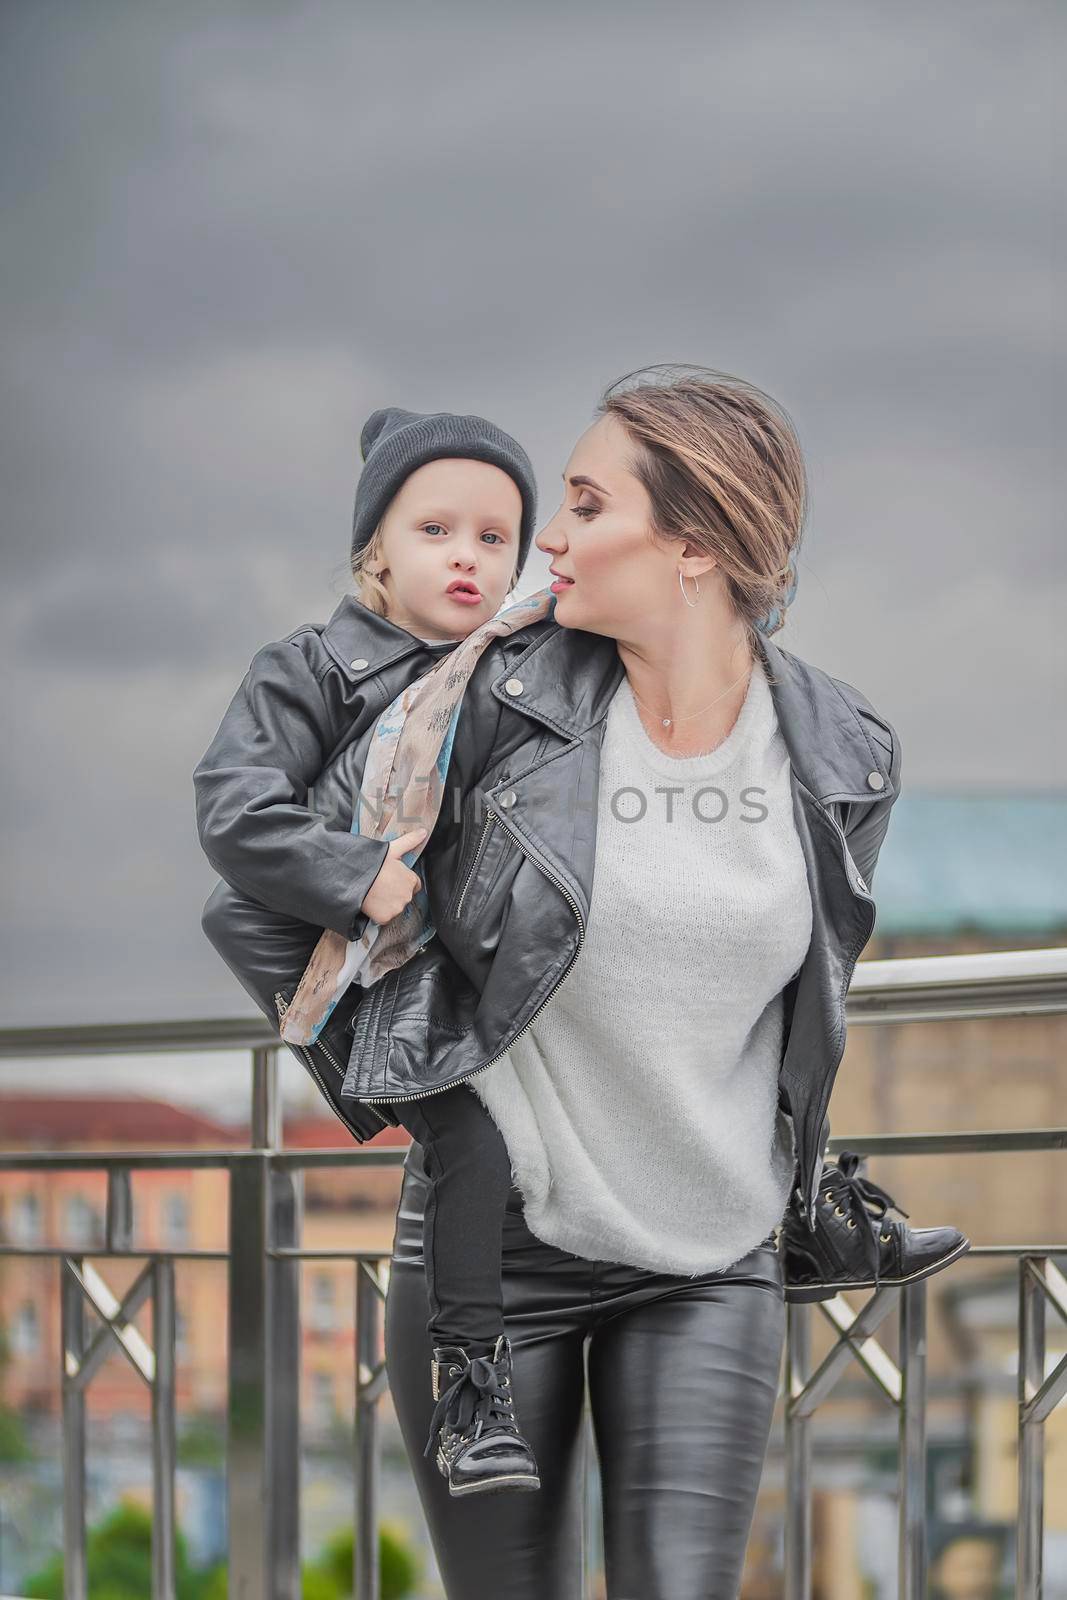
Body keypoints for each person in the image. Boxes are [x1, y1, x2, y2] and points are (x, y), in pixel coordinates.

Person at [337, 365, 965, 1597]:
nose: (547, 536)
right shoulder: (488, 700)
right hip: (493, 1253)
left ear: (691, 543)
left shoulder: (841, 754)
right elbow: (286, 884)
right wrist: (408, 1091)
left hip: (709, 1252)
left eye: (581, 504)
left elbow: (795, 1004)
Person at [193, 405, 548, 1493]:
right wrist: (356, 876)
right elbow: (234, 809)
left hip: (468, 961)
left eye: (495, 538)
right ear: (373, 551)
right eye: (436, 530)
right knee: (468, 1144)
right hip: (358, 969)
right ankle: (471, 1394)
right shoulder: (312, 666)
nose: (468, 557)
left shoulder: (515, 667)